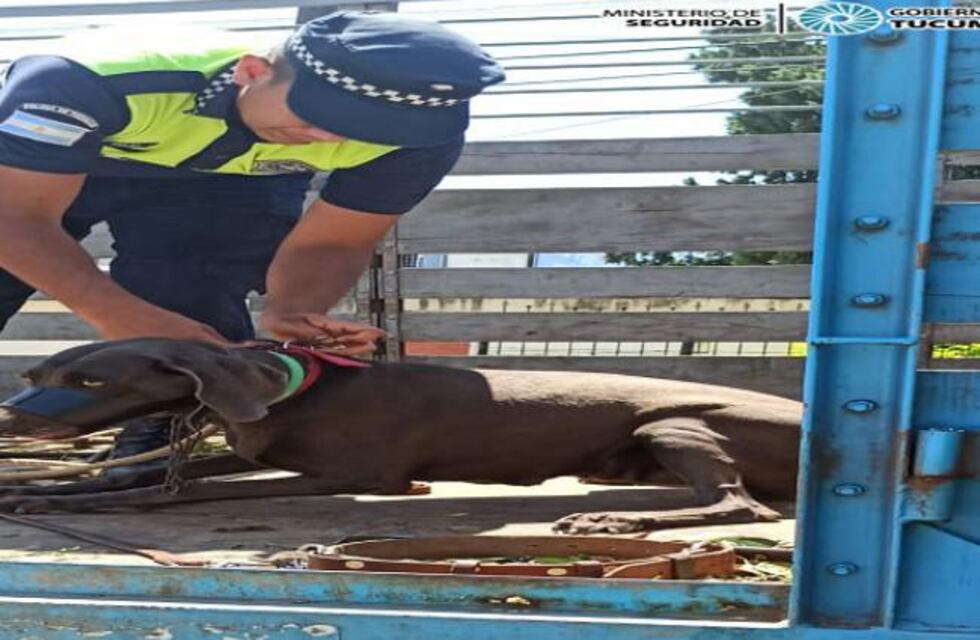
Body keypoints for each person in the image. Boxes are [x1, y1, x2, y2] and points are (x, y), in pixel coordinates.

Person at [0, 11, 506, 465]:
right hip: (54, 167)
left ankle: (162, 436)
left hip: (232, 182)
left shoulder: (420, 140)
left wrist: (294, 311)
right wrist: (121, 315)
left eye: (364, 131)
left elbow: (332, 242)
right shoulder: (76, 82)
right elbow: (13, 217)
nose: (328, 139)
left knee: (192, 289)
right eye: (319, 118)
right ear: (251, 72)